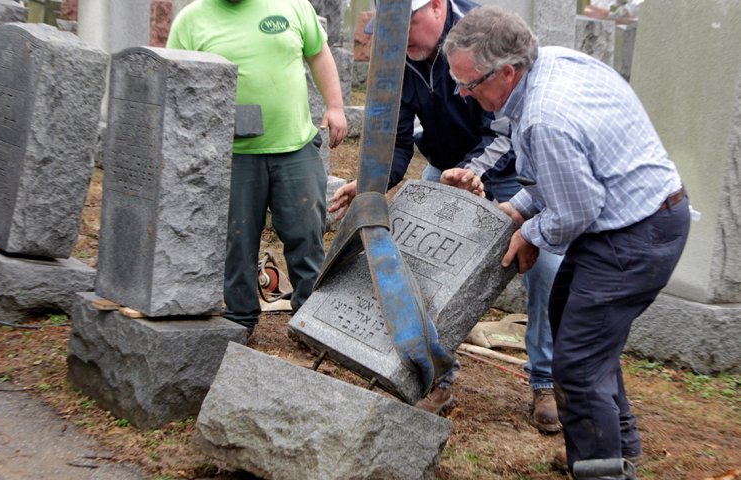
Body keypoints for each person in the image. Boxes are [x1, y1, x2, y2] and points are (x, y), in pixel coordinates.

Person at [443, 5, 690, 475]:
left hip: (635, 233)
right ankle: (619, 445)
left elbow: (577, 210)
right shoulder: (551, 63)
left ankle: (601, 471)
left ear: (507, 72)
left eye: (469, 84)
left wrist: (528, 231)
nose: (462, 93)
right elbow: (562, 177)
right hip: (632, 215)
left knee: (576, 361)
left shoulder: (544, 118)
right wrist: (517, 208)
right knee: (570, 322)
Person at [330, 0, 562, 431]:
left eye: (410, 22)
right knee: (426, 263)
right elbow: (397, 139)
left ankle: (546, 382)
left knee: (545, 268)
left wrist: (473, 173)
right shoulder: (400, 56)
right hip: (448, 165)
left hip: (515, 172)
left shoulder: (481, 37)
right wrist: (373, 182)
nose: (401, 35)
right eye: (392, 25)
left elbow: (506, 129)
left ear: (437, 6)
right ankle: (437, 377)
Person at [167, 0, 347, 338]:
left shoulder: (292, 4)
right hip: (232, 155)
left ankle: (311, 321)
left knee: (307, 235)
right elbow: (177, 82)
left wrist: (335, 106)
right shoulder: (191, 20)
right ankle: (239, 321)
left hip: (295, 146)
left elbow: (318, 53)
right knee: (238, 241)